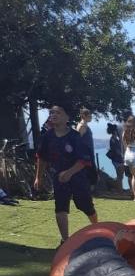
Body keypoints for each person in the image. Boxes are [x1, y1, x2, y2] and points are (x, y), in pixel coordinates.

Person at [34, 104, 98, 243]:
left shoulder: (75, 137)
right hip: (59, 178)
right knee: (60, 207)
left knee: (85, 205)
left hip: (78, 176)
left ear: (67, 117)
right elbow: (41, 157)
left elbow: (84, 160)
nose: (53, 115)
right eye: (51, 113)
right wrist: (38, 178)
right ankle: (65, 240)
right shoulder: (47, 137)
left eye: (58, 112)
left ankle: (98, 229)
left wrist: (70, 172)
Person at [76, 108, 97, 188]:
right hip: (85, 155)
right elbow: (77, 141)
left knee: (91, 176)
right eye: (89, 116)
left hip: (88, 153)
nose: (91, 117)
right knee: (89, 176)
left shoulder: (84, 125)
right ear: (83, 116)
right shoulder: (82, 126)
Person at [105, 123, 124, 189]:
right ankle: (120, 190)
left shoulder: (113, 139)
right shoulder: (114, 140)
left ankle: (118, 188)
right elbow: (117, 151)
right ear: (115, 131)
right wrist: (123, 156)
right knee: (120, 176)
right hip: (118, 160)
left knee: (120, 176)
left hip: (116, 160)